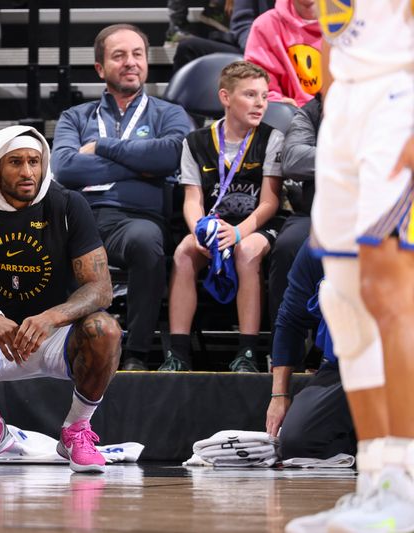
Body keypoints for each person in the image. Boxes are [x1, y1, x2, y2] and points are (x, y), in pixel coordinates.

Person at [0, 125, 122, 473]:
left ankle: (76, 431)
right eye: (16, 162)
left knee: (105, 329)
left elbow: (100, 288)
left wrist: (51, 318)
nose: (29, 172)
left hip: (57, 337)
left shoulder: (67, 204)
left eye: (35, 161)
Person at [286, 1, 414, 531]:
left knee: (387, 288)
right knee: (342, 301)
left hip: (398, 96)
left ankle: (405, 480)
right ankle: (376, 480)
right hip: (342, 101)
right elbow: (338, 23)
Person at [52, 24, 191, 371]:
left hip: (137, 220)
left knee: (147, 242)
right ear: (100, 68)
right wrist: (141, 165)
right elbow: (66, 168)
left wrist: (102, 148)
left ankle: (136, 354)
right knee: (49, 238)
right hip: (80, 217)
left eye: (137, 54)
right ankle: (68, 347)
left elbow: (171, 155)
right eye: (119, 56)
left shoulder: (169, 114)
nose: (130, 62)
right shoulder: (75, 116)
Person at [165, 61, 284, 372]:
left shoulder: (271, 139)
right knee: (183, 253)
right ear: (225, 97)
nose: (260, 103)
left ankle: (247, 353)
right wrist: (199, 232)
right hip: (213, 225)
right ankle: (177, 353)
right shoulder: (195, 142)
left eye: (264, 96)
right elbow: (193, 200)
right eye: (250, 95)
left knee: (246, 253)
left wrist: (239, 233)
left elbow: (270, 203)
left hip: (258, 226)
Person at [265, 240, 355, 461]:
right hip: (344, 366)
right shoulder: (321, 243)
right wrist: (279, 395)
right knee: (298, 441)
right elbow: (290, 320)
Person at [267, 93, 320, 331]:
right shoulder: (314, 110)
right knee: (287, 245)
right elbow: (293, 159)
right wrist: (353, 158)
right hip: (317, 212)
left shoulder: (393, 104)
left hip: (385, 212)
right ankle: (284, 348)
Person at [244, 0, 321, 107]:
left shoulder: (348, 25)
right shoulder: (266, 25)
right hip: (292, 117)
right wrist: (276, 101)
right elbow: (258, 85)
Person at [172, 0, 275, 73]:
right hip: (258, 51)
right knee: (189, 48)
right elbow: (243, 23)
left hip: (286, 54)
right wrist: (256, 51)